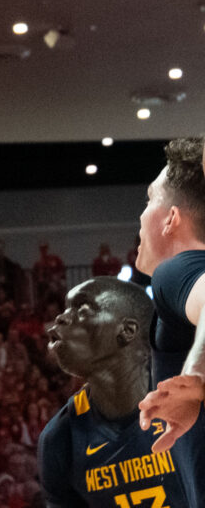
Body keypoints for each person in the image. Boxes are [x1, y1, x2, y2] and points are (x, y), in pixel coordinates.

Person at [38, 277, 193, 507]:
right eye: (66, 308)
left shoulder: (190, 403)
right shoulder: (61, 439)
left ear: (127, 331)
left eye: (82, 309)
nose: (61, 317)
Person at [133, 136, 205, 505]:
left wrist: (196, 374)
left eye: (149, 200)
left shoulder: (176, 270)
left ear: (171, 219)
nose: (140, 215)